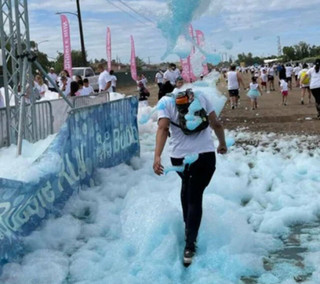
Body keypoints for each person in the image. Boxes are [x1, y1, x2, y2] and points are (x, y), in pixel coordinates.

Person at [153, 76, 227, 266]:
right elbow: (216, 123)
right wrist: (222, 144)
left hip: (179, 157)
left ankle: (189, 230)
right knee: (194, 194)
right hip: (205, 156)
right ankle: (190, 244)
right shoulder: (201, 97)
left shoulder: (165, 101)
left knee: (188, 188)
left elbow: (162, 128)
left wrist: (157, 156)